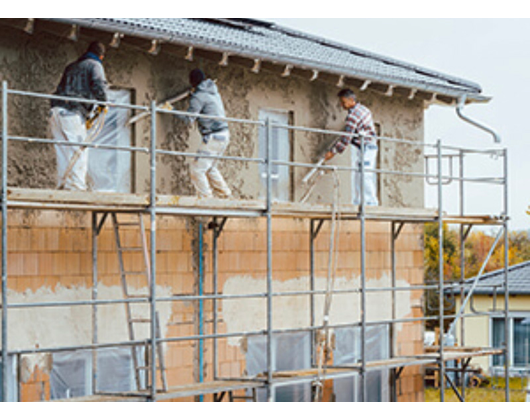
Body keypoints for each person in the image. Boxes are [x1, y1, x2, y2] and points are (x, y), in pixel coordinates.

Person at [50, 41, 108, 191]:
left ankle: (63, 185)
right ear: (101, 56)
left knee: (63, 148)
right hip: (72, 111)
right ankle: (76, 187)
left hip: (56, 110)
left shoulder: (71, 66)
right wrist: (103, 103)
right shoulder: (95, 65)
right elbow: (99, 85)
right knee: (79, 149)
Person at [180, 69, 232, 199]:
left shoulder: (199, 96)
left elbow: (189, 120)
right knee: (210, 168)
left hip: (213, 136)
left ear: (192, 82)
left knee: (197, 169)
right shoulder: (213, 92)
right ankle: (226, 195)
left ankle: (206, 200)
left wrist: (172, 111)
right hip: (224, 135)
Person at [325, 89, 379, 207]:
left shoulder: (354, 116)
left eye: (343, 102)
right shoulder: (363, 109)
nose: (341, 105)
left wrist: (332, 152)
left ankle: (371, 202)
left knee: (365, 174)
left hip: (368, 147)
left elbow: (346, 138)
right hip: (363, 146)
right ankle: (359, 201)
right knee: (358, 173)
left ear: (351, 100)